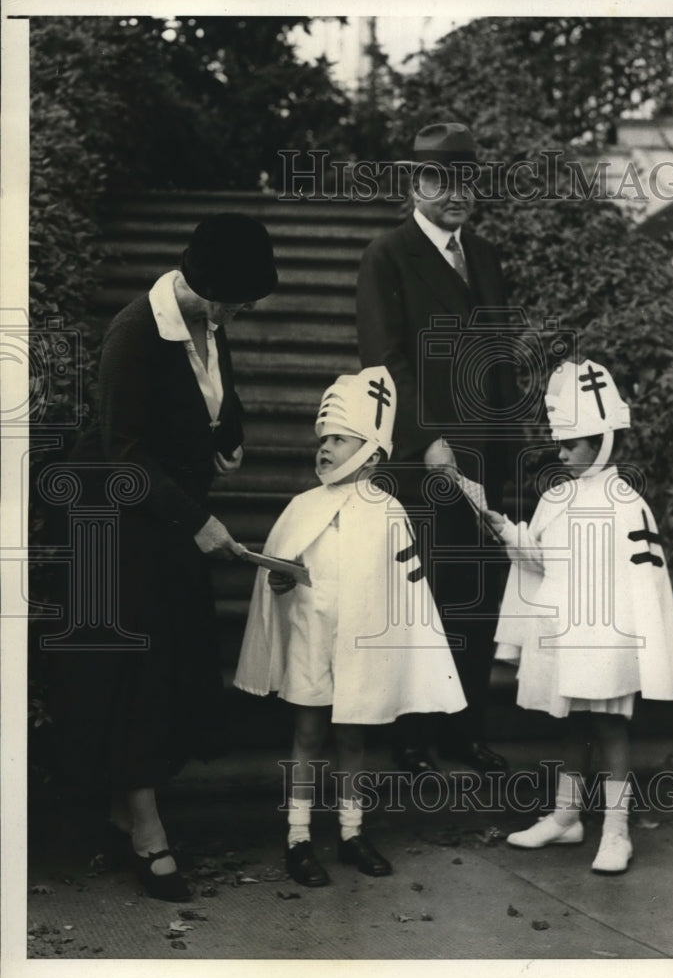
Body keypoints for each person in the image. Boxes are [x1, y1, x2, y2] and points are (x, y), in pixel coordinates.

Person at [48, 213, 278, 901]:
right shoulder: (134, 334)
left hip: (165, 515)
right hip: (113, 522)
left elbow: (217, 399)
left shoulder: (209, 321)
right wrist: (198, 518)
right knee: (136, 671)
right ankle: (146, 829)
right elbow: (123, 453)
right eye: (235, 302)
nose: (238, 315)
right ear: (204, 288)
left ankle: (129, 803)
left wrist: (229, 437)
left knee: (174, 657)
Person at [234, 366, 467, 887]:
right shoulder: (301, 507)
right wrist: (279, 585)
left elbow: (406, 586)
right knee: (308, 734)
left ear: (372, 451)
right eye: (323, 439)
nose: (325, 448)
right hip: (311, 639)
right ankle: (297, 836)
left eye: (340, 439)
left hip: (361, 645)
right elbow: (279, 573)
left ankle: (351, 830)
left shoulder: (389, 512)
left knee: (354, 738)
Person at [356, 122, 520, 776]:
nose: (455, 193)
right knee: (423, 599)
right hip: (424, 462)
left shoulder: (484, 255)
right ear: (415, 183)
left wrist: (509, 450)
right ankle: (410, 737)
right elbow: (383, 359)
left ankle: (464, 732)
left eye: (466, 180)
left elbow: (501, 357)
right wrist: (426, 442)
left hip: (485, 458)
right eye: (440, 179)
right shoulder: (387, 256)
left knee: (476, 598)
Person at [484, 359, 673, 873]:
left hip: (609, 640)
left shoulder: (627, 502)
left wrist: (635, 647)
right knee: (571, 726)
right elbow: (539, 559)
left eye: (569, 445)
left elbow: (645, 580)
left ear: (600, 443)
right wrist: (505, 529)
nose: (560, 454)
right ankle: (566, 816)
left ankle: (617, 830)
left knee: (611, 727)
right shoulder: (556, 498)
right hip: (563, 634)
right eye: (559, 444)